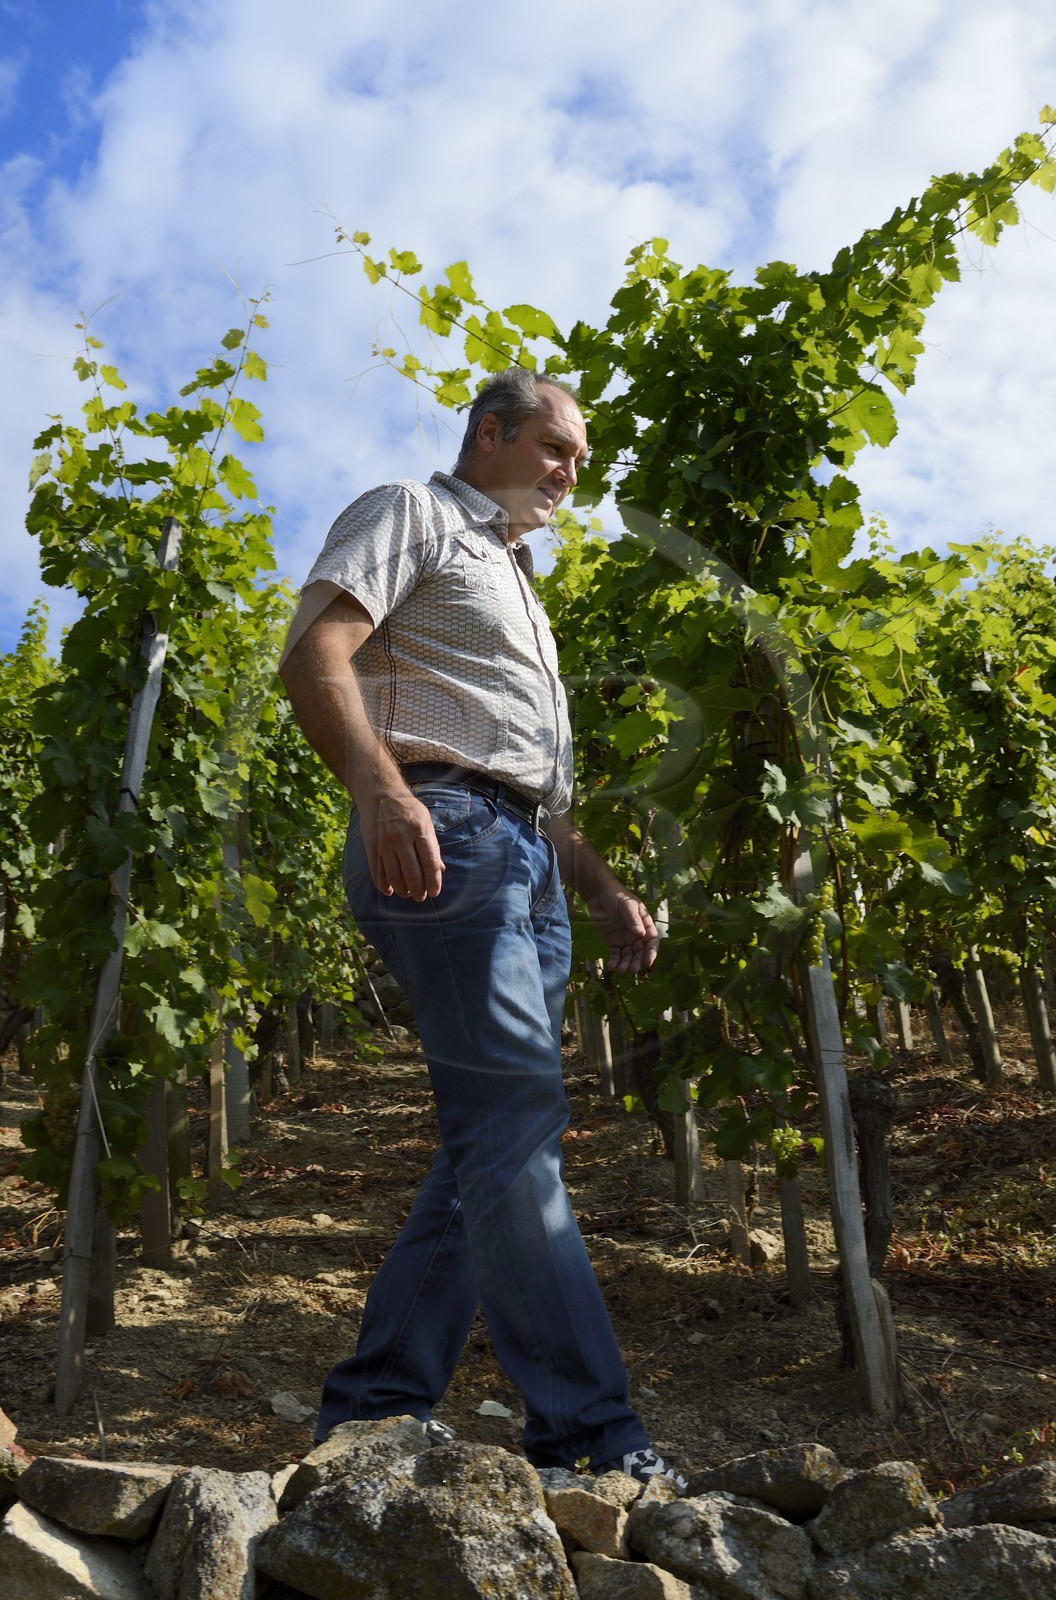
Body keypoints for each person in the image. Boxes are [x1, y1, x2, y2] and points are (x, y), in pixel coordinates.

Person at [279, 369, 679, 1483]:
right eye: (553, 447)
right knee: (511, 1121)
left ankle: (372, 1411)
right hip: (441, 829)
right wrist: (380, 792)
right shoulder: (411, 512)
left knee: (492, 1145)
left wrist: (599, 891)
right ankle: (592, 1439)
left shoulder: (515, 578)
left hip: (523, 859)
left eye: (580, 464)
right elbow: (313, 656)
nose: (567, 474)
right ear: (490, 432)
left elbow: (535, 787)